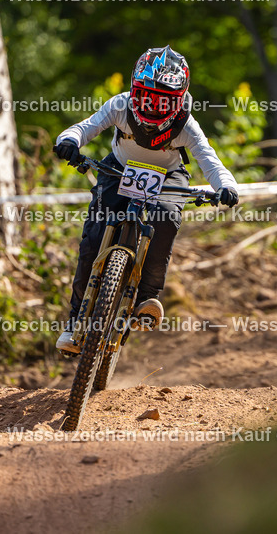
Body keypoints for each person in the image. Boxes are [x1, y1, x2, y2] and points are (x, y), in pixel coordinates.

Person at [52, 45, 239, 354]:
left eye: (162, 100)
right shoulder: (120, 106)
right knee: (92, 239)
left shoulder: (186, 125)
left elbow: (210, 161)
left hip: (167, 176)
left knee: (166, 218)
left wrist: (226, 186)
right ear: (134, 91)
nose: (152, 107)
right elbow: (86, 127)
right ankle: (75, 321)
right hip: (118, 168)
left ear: (178, 101)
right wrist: (69, 141)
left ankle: (146, 299)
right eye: (146, 97)